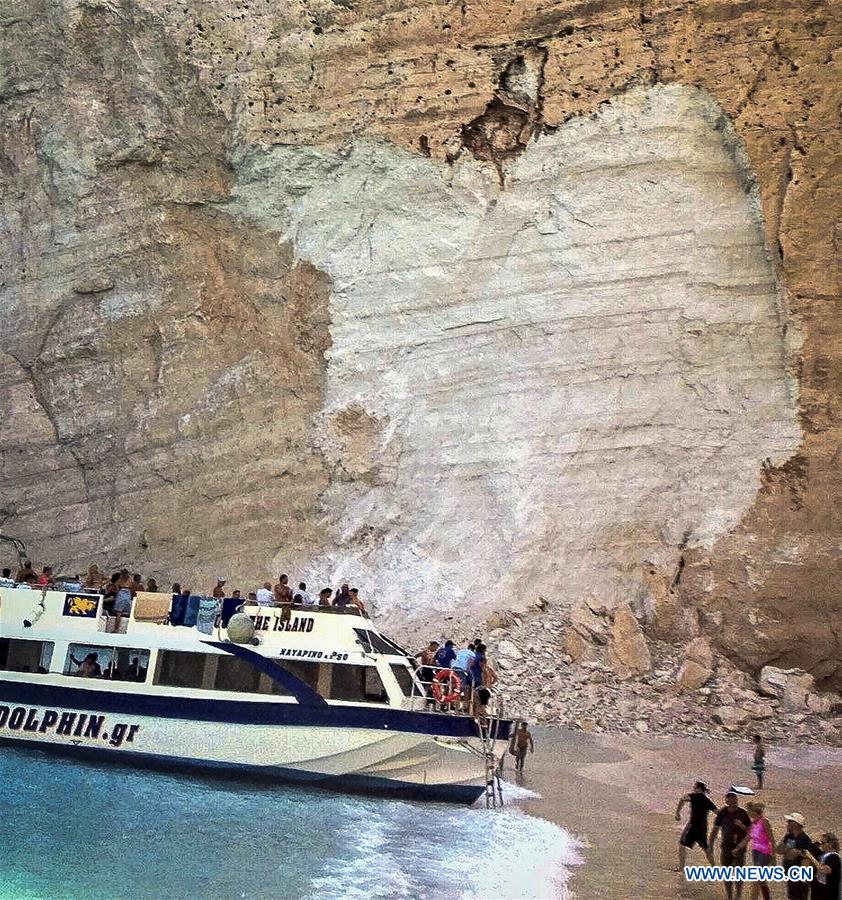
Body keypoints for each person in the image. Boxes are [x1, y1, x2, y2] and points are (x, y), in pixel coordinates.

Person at [711, 790, 752, 899]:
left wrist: (741, 825)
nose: (734, 803)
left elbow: (750, 830)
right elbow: (715, 829)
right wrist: (710, 843)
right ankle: (729, 895)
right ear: (727, 801)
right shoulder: (722, 813)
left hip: (739, 847)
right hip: (726, 846)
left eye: (736, 801)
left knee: (739, 871)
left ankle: (738, 894)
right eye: (732, 801)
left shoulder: (742, 813)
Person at [735, 800, 776, 900]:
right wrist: (738, 848)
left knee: (756, 878)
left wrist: (773, 856)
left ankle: (753, 898)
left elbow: (771, 840)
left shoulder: (764, 822)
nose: (748, 813)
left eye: (749, 811)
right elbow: (748, 837)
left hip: (764, 853)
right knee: (761, 880)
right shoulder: (753, 823)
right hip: (755, 852)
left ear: (754, 812)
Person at [676, 781, 717, 869]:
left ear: (698, 789)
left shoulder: (694, 796)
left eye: (694, 787)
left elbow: (682, 799)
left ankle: (681, 868)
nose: (693, 789)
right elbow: (717, 812)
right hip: (703, 827)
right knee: (705, 848)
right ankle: (714, 867)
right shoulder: (707, 800)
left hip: (693, 826)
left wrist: (677, 813)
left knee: (682, 844)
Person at [777, 813, 818, 900]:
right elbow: (778, 849)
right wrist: (789, 850)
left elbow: (806, 858)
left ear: (795, 824)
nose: (786, 824)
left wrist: (803, 878)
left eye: (789, 822)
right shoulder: (789, 836)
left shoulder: (804, 839)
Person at [812, 833, 841, 900]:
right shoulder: (823, 854)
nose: (821, 844)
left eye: (823, 842)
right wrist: (815, 844)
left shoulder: (834, 857)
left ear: (830, 844)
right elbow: (811, 848)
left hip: (827, 894)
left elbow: (825, 870)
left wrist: (812, 859)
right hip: (818, 892)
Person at [452, 641, 476, 711]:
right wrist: (469, 672)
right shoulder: (472, 654)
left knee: (453, 686)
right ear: (473, 649)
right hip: (461, 670)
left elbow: (455, 659)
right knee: (461, 687)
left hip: (453, 668)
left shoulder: (461, 651)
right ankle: (457, 706)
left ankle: (450, 704)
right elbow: (469, 663)